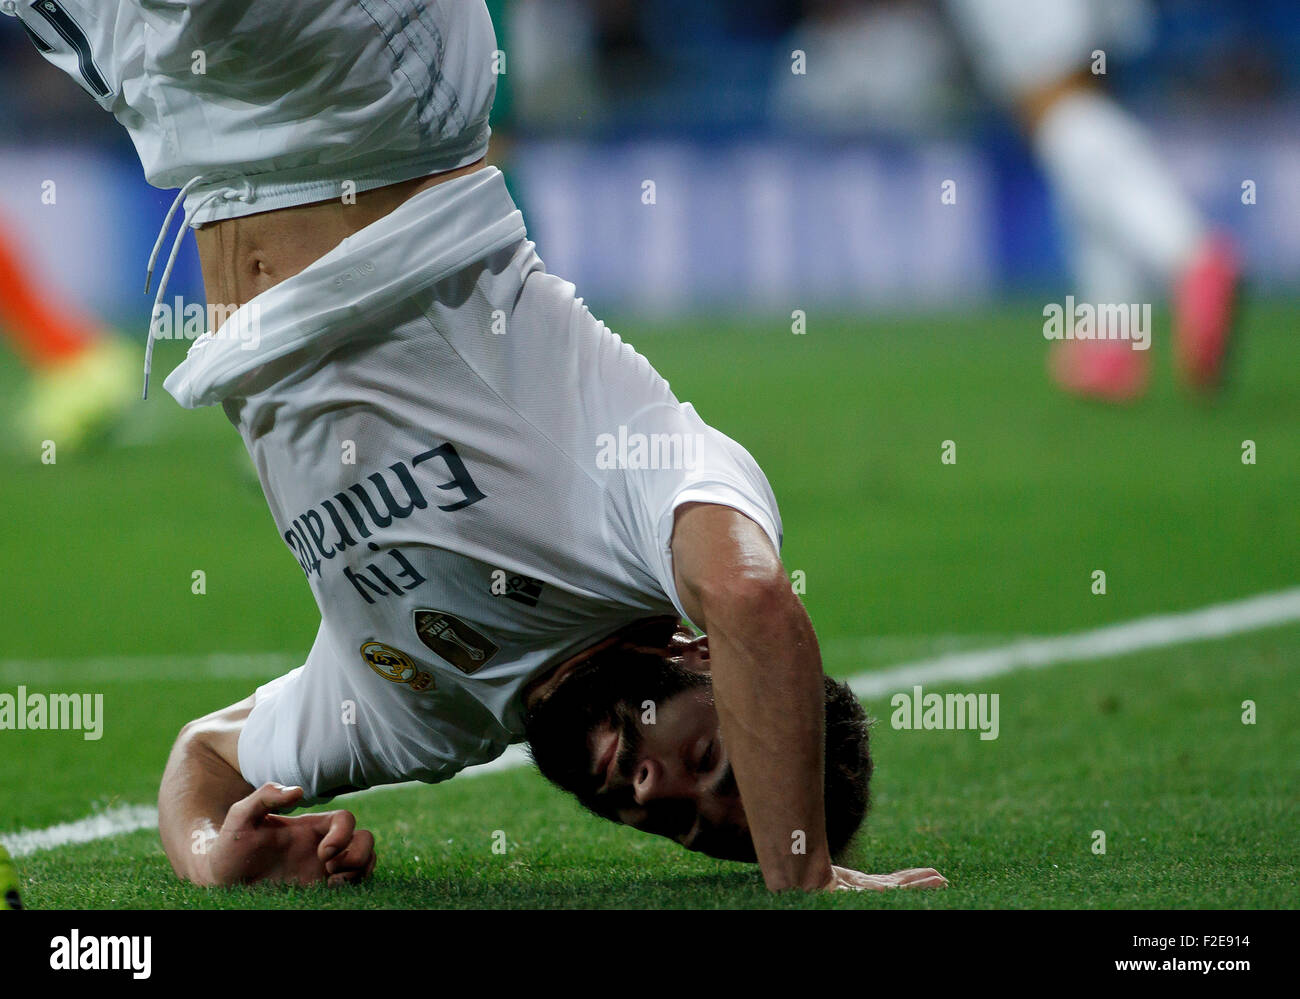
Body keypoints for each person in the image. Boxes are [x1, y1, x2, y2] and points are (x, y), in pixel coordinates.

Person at [5, 0, 945, 894]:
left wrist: (214, 852)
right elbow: (750, 592)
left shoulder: (421, 716)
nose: (657, 792)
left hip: (179, 118)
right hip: (358, 78)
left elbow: (200, 757)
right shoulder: (626, 519)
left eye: (685, 827)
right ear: (703, 660)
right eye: (708, 759)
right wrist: (804, 871)